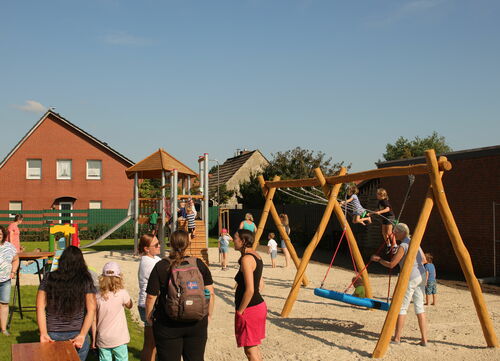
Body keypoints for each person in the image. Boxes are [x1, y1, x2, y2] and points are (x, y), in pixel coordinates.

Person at [145, 230, 215, 361]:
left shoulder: (161, 266)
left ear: (170, 244)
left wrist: (149, 316)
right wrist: (208, 315)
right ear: (188, 244)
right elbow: (210, 293)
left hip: (168, 323)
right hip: (196, 322)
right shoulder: (199, 264)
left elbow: (151, 297)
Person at [370, 223, 428, 346]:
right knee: (419, 307)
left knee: (402, 307)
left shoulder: (404, 245)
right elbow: (424, 260)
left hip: (410, 277)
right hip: (421, 276)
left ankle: (397, 338)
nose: (394, 234)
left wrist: (379, 260)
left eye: (396, 232)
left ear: (402, 232)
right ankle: (424, 339)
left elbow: (392, 265)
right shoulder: (414, 241)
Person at [37, 246, 97, 360]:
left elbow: (39, 307)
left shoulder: (49, 278)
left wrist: (43, 333)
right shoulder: (85, 280)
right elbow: (91, 310)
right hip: (77, 335)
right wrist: (82, 335)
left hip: (52, 334)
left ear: (62, 260)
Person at [233, 229, 267, 361]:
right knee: (254, 347)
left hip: (250, 309)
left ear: (243, 241)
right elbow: (261, 283)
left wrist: (240, 311)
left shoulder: (246, 259)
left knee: (250, 351)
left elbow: (251, 289)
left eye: (236, 238)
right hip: (257, 306)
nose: (233, 240)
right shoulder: (256, 256)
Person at [93, 262, 133, 361]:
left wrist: (93, 339)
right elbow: (130, 305)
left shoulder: (97, 296)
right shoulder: (122, 293)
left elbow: (94, 320)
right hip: (119, 337)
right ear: (119, 278)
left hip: (103, 338)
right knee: (122, 359)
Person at [137, 234, 161, 361]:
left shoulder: (154, 258)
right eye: (156, 245)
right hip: (148, 305)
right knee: (150, 344)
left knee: (154, 343)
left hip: (152, 303)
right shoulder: (147, 262)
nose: (159, 246)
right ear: (146, 249)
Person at [0, 225, 19, 336]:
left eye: (0, 234)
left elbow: (16, 259)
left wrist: (13, 271)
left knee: (4, 303)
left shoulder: (10, 247)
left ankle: (3, 329)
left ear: (3, 235)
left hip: (5, 280)